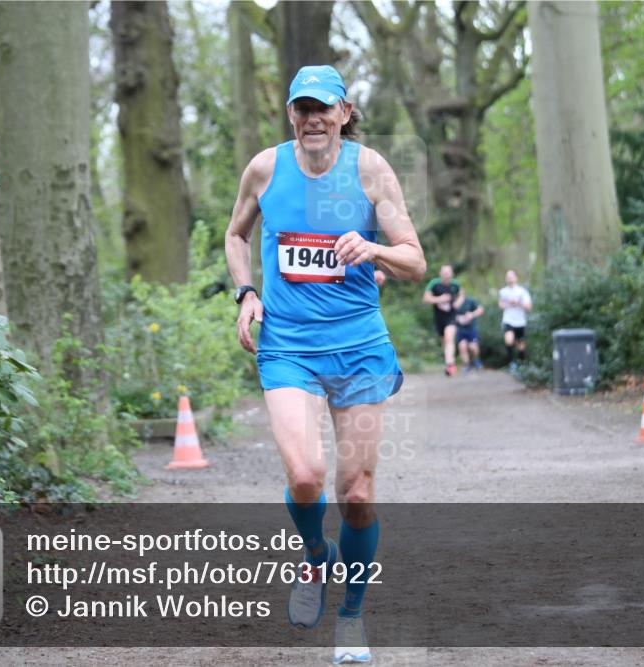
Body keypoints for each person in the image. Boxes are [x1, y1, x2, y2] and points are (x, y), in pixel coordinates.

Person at [224, 64, 426, 664]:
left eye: (324, 108)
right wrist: (246, 292)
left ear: (344, 112)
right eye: (302, 108)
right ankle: (316, 558)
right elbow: (236, 236)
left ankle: (353, 616)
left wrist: (375, 247)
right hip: (287, 345)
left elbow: (414, 261)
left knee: (357, 492)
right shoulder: (265, 168)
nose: (313, 118)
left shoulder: (369, 170)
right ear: (291, 114)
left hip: (360, 345)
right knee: (307, 477)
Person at [422, 264, 464, 376]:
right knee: (444, 341)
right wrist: (439, 299)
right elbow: (425, 299)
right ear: (440, 273)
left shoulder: (455, 284)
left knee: (449, 337)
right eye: (444, 272)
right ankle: (449, 362)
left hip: (452, 317)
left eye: (448, 272)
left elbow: (461, 295)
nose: (446, 274)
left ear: (452, 274)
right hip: (439, 318)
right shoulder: (434, 284)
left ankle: (450, 365)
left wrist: (458, 303)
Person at [498, 270, 532, 371]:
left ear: (516, 278)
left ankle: (522, 364)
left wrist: (518, 302)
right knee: (509, 340)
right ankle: (511, 363)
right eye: (507, 276)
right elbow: (501, 305)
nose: (509, 278)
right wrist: (508, 303)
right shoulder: (503, 292)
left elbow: (529, 307)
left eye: (511, 276)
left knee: (521, 345)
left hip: (520, 321)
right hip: (508, 320)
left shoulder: (522, 291)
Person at [455, 293, 485, 373]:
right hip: (460, 329)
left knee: (473, 347)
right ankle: (467, 365)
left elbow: (481, 309)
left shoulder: (470, 300)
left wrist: (472, 314)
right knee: (462, 346)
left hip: (471, 329)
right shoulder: (453, 301)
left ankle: (476, 360)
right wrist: (458, 318)